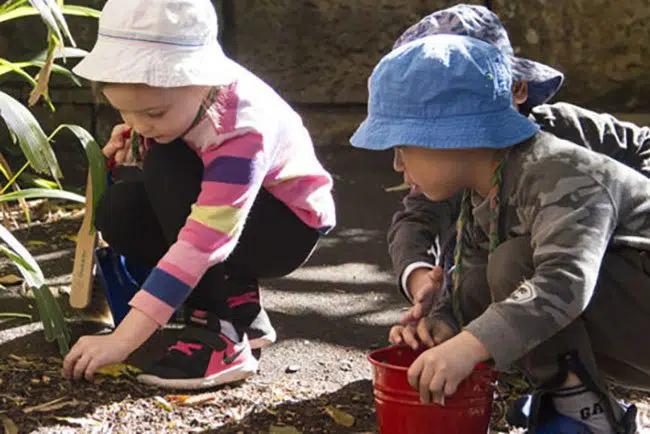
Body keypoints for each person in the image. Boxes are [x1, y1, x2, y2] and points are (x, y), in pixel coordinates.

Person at [351, 34, 647, 433]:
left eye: (403, 146)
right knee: (482, 276)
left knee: (516, 264)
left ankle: (585, 414)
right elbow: (468, 272)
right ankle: (576, 403)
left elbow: (565, 282)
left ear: (456, 135)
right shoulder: (488, 184)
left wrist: (469, 346)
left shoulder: (560, 173)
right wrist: (444, 325)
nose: (397, 165)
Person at [61, 0, 336, 390]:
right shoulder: (186, 106)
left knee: (168, 161)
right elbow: (189, 180)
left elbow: (203, 239)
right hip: (240, 219)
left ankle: (218, 331)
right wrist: (142, 138)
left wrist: (123, 340)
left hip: (286, 228)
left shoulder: (241, 129)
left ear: (201, 79)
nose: (140, 125)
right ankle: (240, 305)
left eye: (152, 114)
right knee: (121, 209)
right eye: (126, 113)